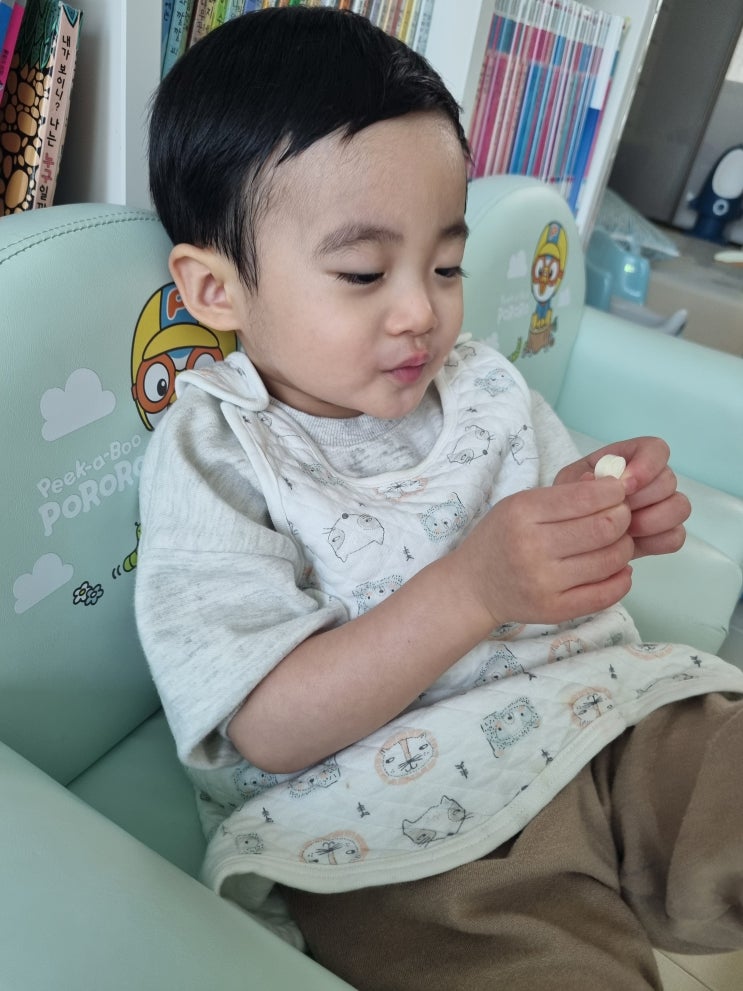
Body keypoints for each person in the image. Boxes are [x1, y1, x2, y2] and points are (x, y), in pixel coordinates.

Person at [136, 7, 743, 989]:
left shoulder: (480, 382)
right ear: (216, 290)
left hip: (602, 715)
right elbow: (265, 725)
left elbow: (535, 532)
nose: (421, 308)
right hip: (392, 828)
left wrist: (596, 513)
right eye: (363, 272)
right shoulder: (218, 451)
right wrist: (472, 587)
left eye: (446, 264)